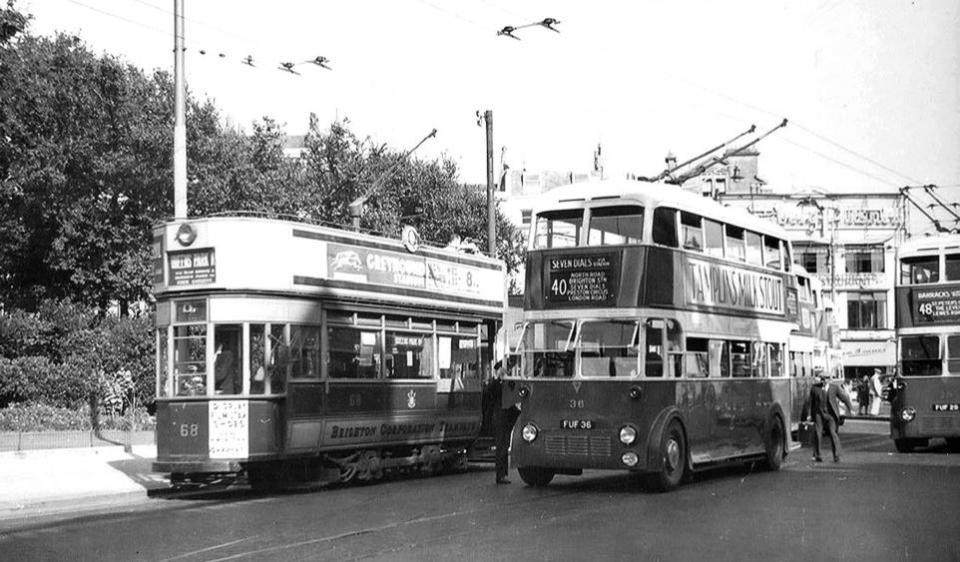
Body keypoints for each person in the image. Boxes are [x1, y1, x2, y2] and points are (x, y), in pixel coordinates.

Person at [802, 375, 854, 462]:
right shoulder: (815, 388)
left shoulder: (834, 388)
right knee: (818, 433)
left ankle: (836, 455)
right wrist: (808, 415)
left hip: (831, 415)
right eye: (822, 379)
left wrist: (850, 409)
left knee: (833, 433)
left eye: (825, 379)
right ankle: (818, 455)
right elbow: (809, 402)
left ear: (829, 380)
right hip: (819, 414)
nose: (823, 381)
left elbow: (844, 398)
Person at [491, 358, 521, 484]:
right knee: (501, 447)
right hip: (500, 419)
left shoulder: (508, 383)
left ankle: (503, 474)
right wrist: (499, 380)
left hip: (506, 419)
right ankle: (500, 475)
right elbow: (491, 393)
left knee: (504, 446)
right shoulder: (496, 384)